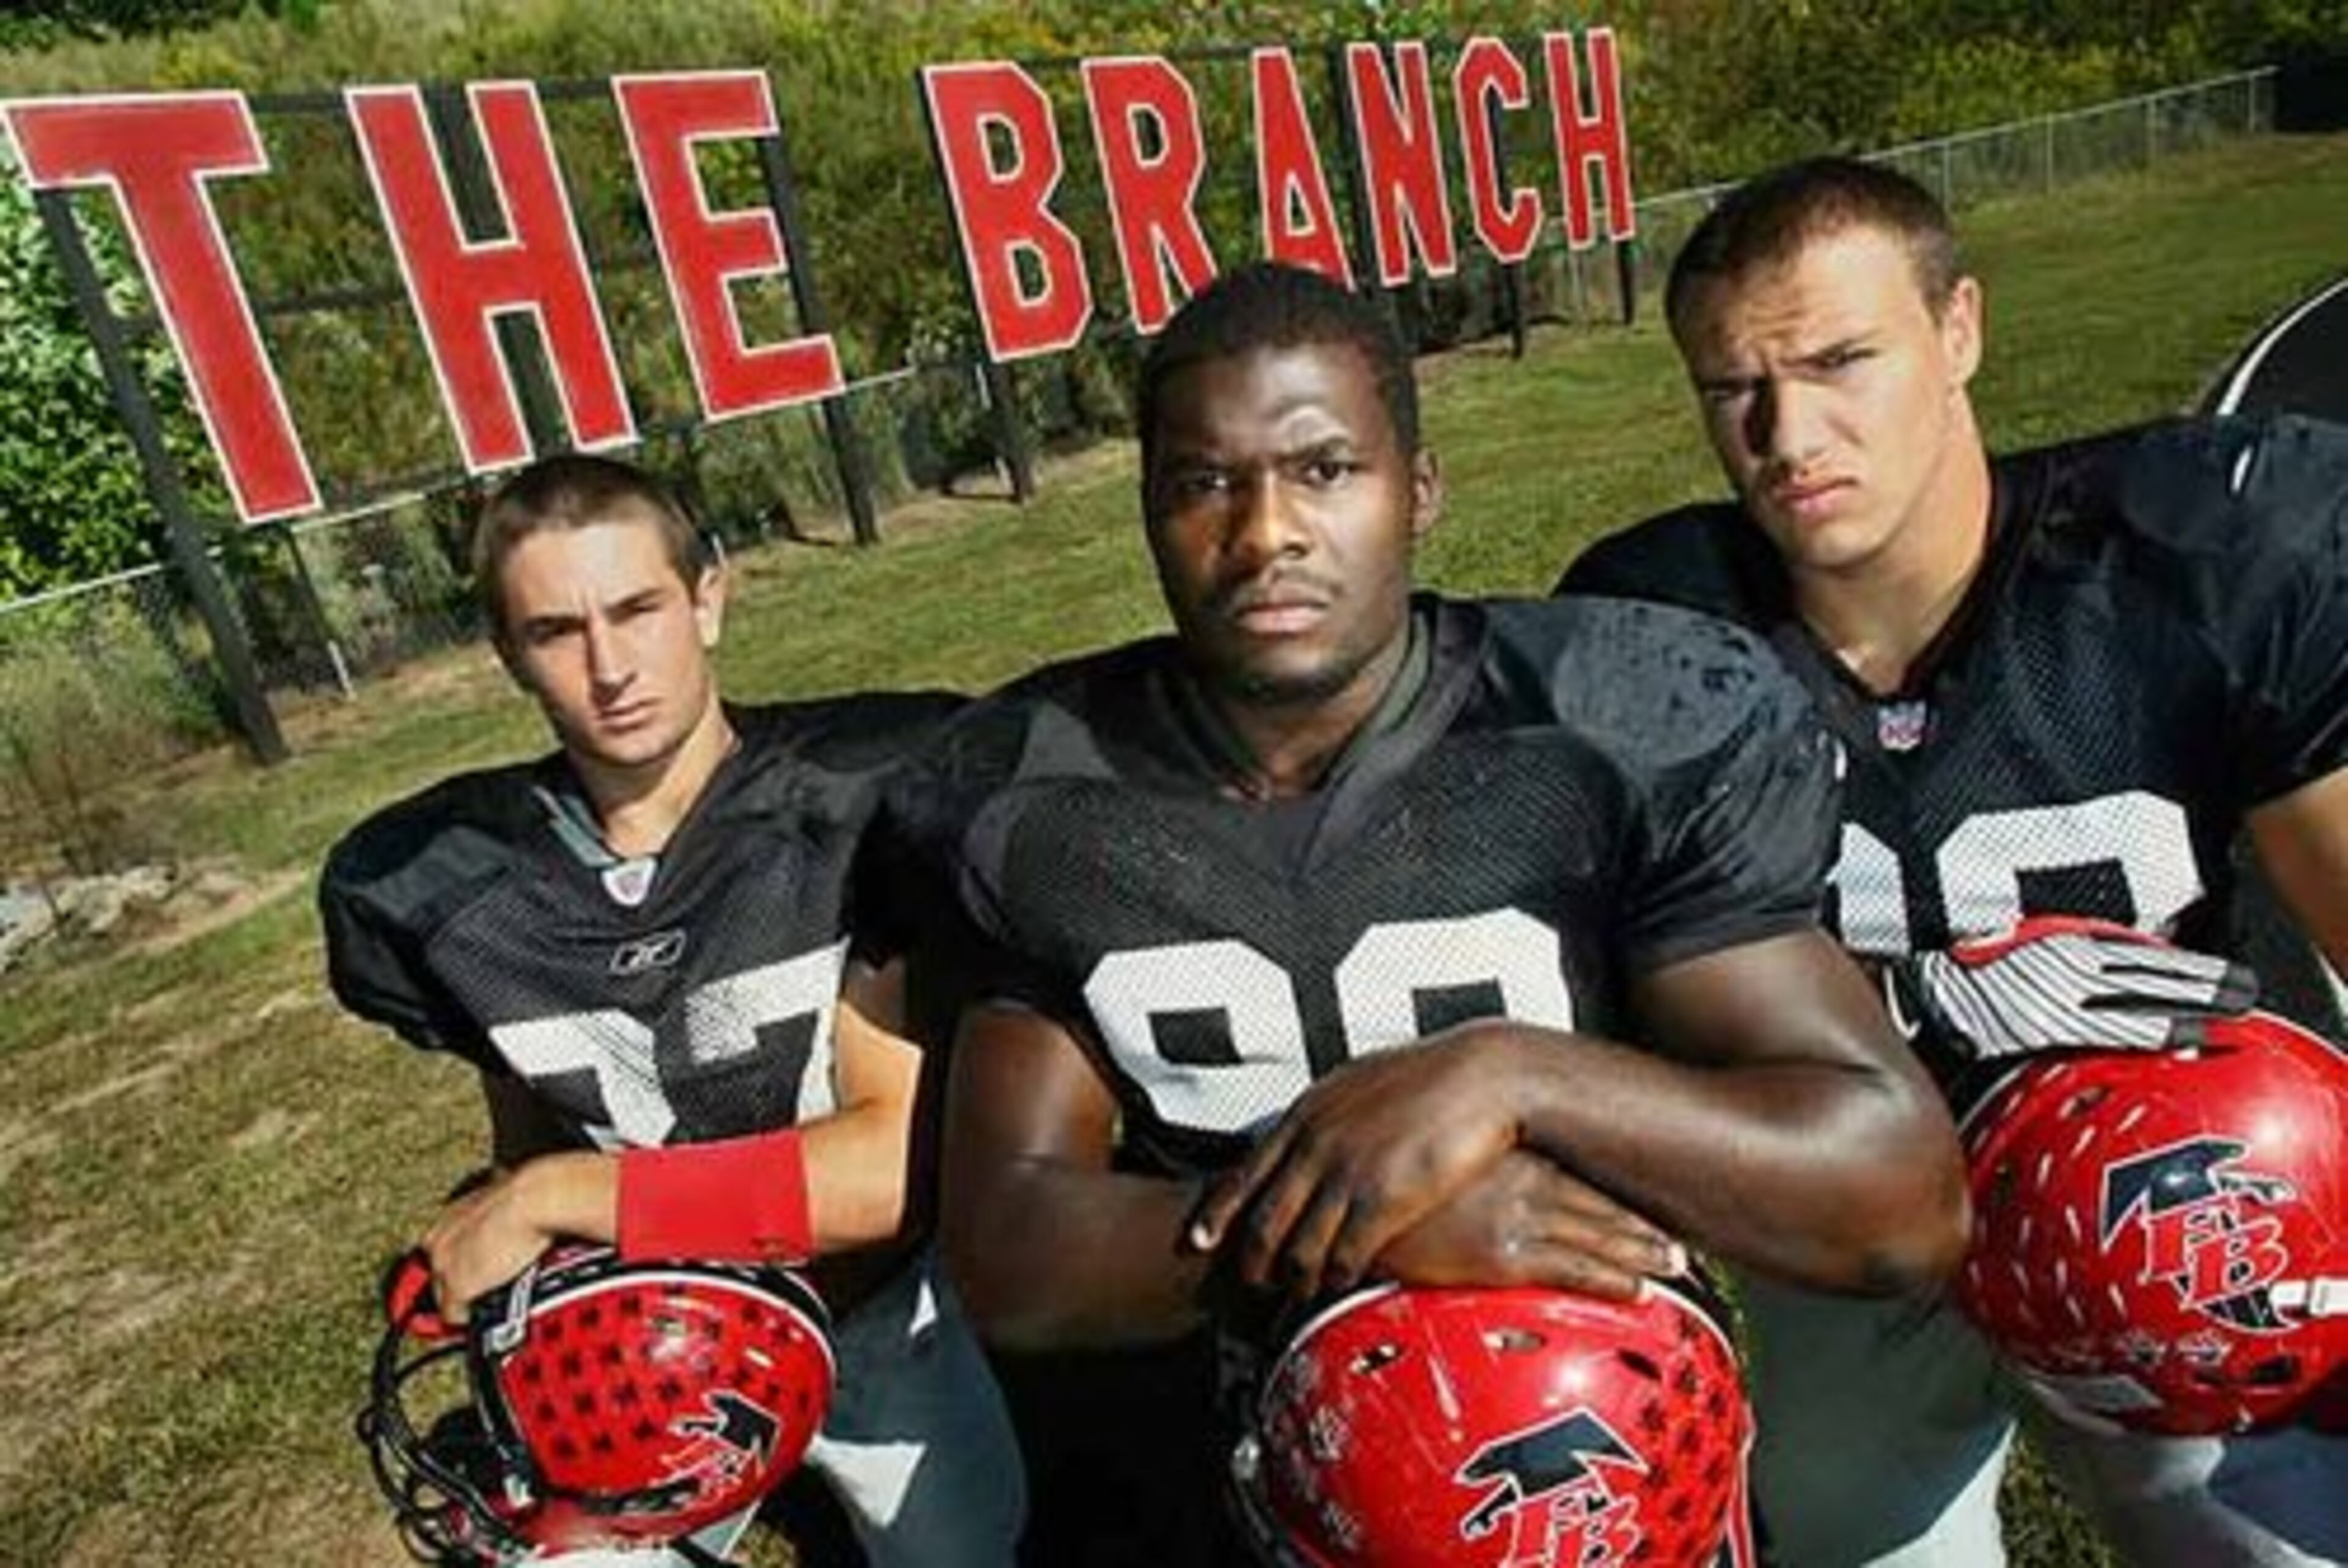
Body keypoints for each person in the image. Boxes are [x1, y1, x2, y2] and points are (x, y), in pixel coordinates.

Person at [884, 260, 1971, 1564]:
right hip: (1235, 1473)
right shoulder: (1036, 791)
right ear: (1148, 513)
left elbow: (1896, 1199)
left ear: (1420, 489)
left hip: (1597, 1451)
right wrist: (1372, 1233)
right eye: (1202, 482)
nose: (1265, 530)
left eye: (1325, 468)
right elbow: (1010, 1244)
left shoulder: (1605, 728)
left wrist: (1516, 1077)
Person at [1556, 156, 2348, 1567]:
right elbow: (1634, 997)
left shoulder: (2189, 561)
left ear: (1961, 329)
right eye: (1731, 387)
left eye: (1841, 359)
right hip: (1859, 1225)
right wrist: (1920, 1000)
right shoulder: (1659, 635)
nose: (1787, 431)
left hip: (2174, 1192)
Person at [318, 453, 1024, 1567]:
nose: (609, 667)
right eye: (556, 630)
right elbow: (535, 1124)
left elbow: (886, 1173)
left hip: (868, 1315)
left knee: (968, 1550)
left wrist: (558, 1196)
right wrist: (516, 1203)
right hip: (640, 1335)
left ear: (708, 597)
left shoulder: (853, 803)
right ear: (510, 656)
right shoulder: (455, 886)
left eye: (637, 608)